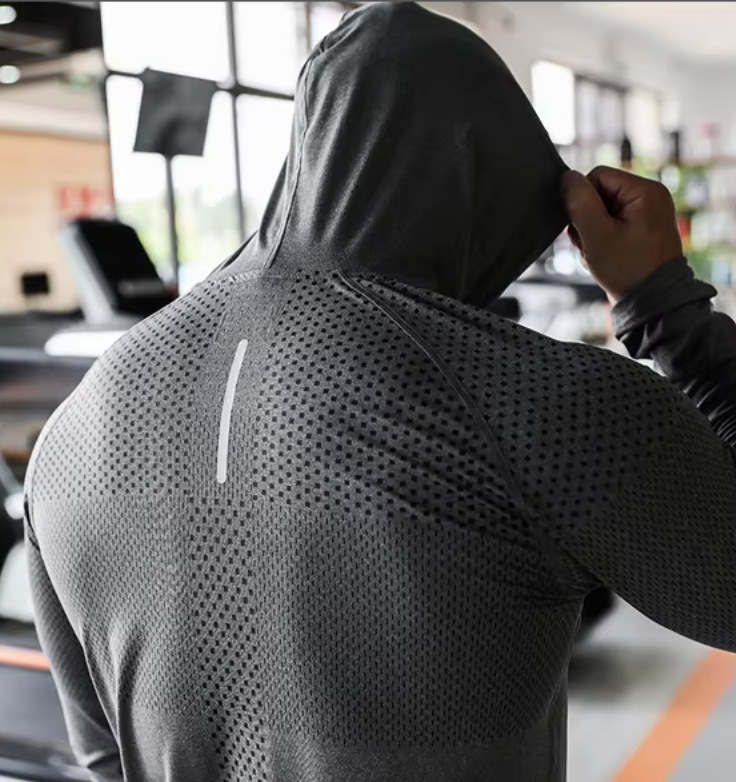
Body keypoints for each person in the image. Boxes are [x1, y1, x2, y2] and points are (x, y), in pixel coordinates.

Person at [23, 4, 736, 782]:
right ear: (496, 192)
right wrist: (667, 308)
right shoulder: (543, 404)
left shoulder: (68, 434)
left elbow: (100, 761)